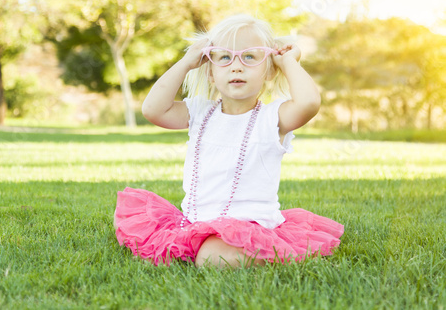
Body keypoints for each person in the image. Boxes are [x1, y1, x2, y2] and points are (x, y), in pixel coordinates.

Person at [114, 14, 344, 268]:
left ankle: (270, 252)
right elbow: (153, 110)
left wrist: (288, 62)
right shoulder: (200, 112)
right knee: (134, 218)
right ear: (211, 73)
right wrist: (186, 62)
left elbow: (308, 103)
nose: (236, 66)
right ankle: (205, 244)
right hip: (194, 220)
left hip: (249, 224)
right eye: (224, 57)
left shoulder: (272, 119)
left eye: (249, 57)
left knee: (213, 258)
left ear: (268, 71)